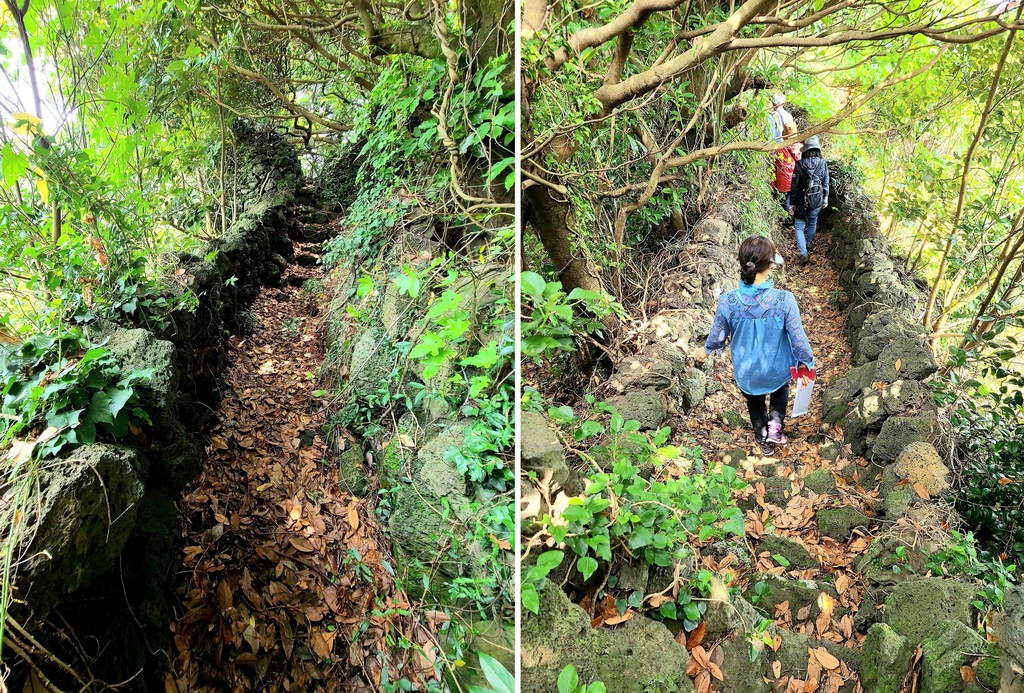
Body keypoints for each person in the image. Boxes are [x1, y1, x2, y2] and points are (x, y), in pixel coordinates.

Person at [693, 237, 815, 456]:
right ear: (770, 265)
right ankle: (776, 429)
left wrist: (706, 349)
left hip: (747, 371)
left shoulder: (728, 301)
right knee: (781, 389)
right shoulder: (784, 299)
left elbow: (718, 332)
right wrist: (806, 363)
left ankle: (762, 438)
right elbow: (797, 337)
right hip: (777, 366)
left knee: (754, 401)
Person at [789, 135, 829, 265]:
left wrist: (792, 203)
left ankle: (803, 253)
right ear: (817, 149)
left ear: (805, 149)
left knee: (799, 227)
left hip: (801, 201)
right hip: (816, 200)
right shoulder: (822, 163)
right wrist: (825, 198)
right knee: (812, 222)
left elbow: (794, 186)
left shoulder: (800, 164)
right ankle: (809, 243)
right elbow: (825, 182)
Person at [772, 122, 802, 218]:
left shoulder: (779, 149)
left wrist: (772, 184)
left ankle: (789, 218)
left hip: (783, 182)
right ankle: (794, 216)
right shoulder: (800, 148)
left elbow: (774, 167)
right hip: (797, 181)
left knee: (785, 202)